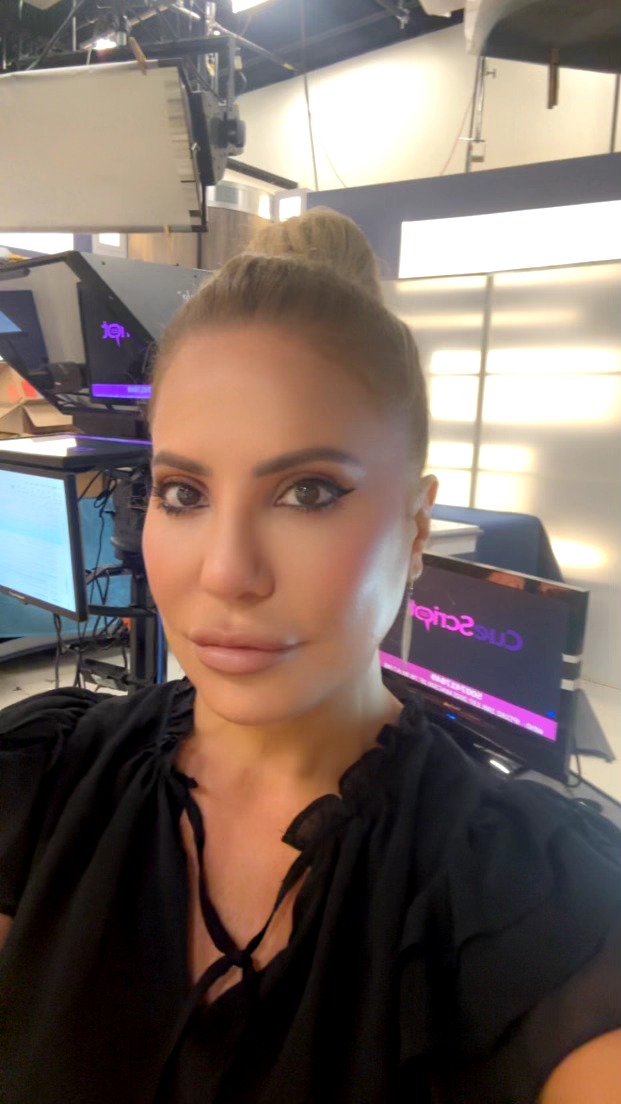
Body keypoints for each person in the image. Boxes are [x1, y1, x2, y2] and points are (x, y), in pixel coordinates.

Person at [0, 210, 619, 1104]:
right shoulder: (46, 783)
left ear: (415, 527)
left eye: (308, 491)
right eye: (183, 492)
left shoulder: (526, 899)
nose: (227, 572)